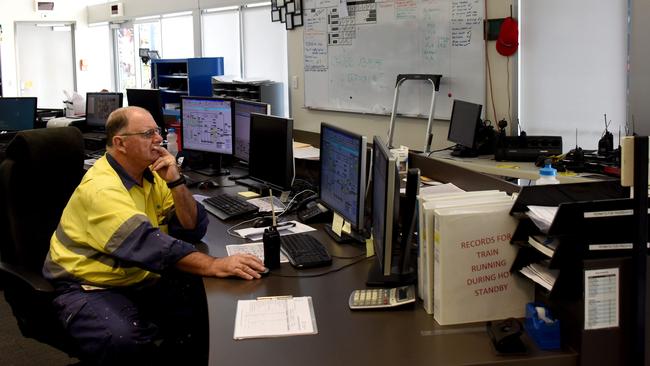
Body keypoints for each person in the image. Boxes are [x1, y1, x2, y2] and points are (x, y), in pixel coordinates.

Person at [43, 106, 265, 365]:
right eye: (148, 133)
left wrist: (175, 181)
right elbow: (148, 244)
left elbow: (192, 226)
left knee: (205, 313)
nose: (159, 139)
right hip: (87, 285)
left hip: (136, 276)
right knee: (124, 341)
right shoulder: (102, 189)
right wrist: (214, 265)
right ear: (120, 143)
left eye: (157, 131)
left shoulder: (148, 174)